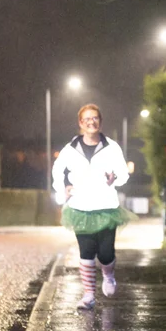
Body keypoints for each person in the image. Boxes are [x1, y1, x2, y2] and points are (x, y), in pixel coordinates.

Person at [52, 103, 131, 310]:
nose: (91, 122)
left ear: (100, 121)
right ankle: (88, 295)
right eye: (87, 119)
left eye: (94, 118)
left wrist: (115, 178)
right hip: (80, 208)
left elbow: (123, 173)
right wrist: (64, 190)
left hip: (106, 207)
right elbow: (57, 172)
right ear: (80, 123)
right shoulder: (70, 149)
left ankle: (108, 274)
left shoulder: (111, 147)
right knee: (86, 251)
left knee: (105, 253)